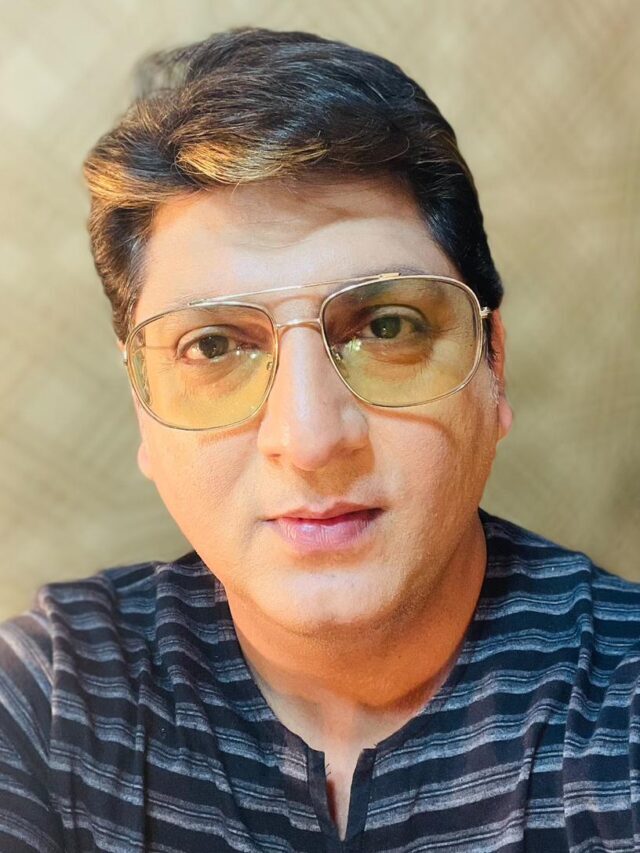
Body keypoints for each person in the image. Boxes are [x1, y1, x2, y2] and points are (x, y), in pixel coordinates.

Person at [0, 26, 638, 853]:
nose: (310, 440)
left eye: (388, 326)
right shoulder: (52, 703)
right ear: (142, 412)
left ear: (494, 368)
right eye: (213, 345)